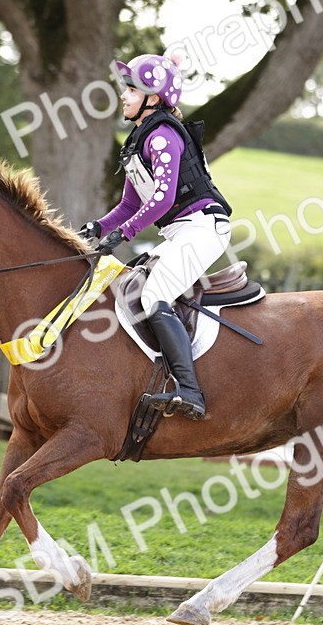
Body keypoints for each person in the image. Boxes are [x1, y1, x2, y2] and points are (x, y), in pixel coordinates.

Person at [78, 51, 232, 420]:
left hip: (203, 227)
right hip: (183, 231)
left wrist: (124, 234)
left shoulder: (162, 137)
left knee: (155, 294)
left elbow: (162, 198)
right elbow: (130, 204)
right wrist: (97, 228)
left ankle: (190, 391)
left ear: (154, 98)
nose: (124, 95)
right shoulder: (139, 140)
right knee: (132, 288)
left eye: (131, 89)